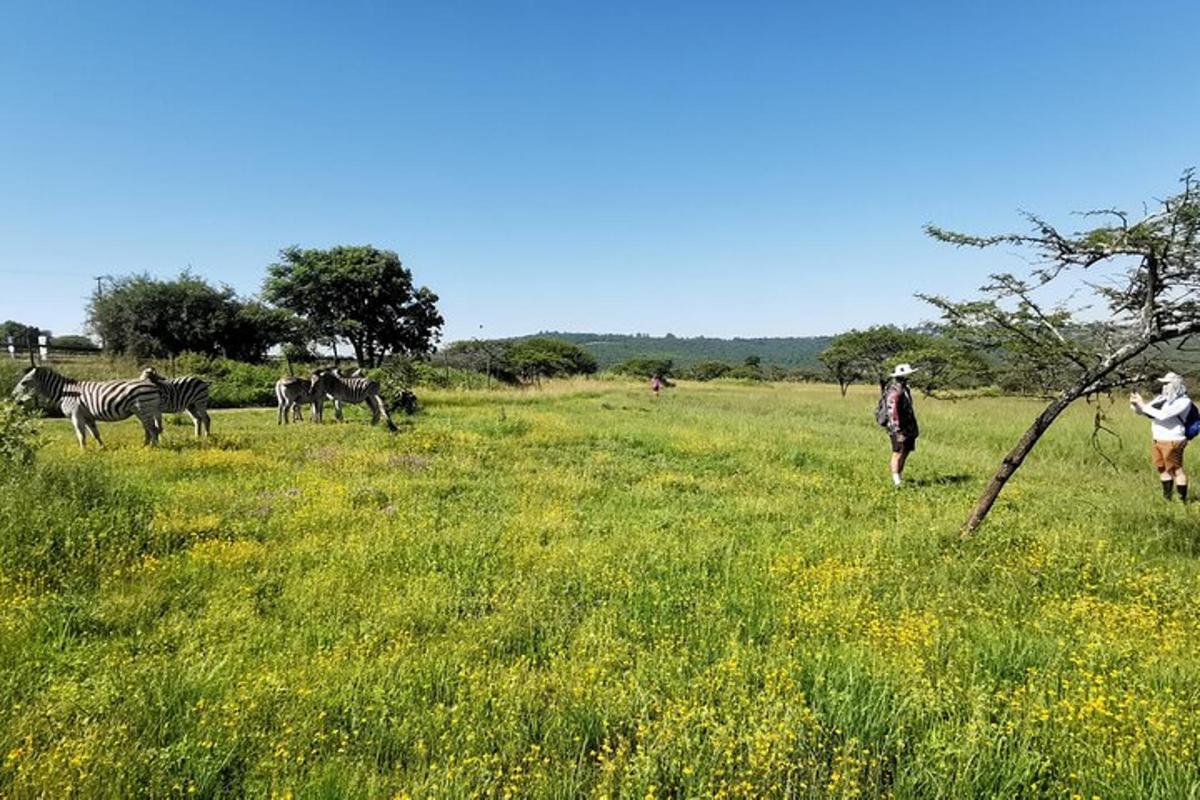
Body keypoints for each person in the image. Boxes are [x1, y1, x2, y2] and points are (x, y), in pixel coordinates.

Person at [1130, 371, 1193, 502]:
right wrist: (1136, 405)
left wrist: (1142, 404)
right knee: (1162, 469)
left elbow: (1163, 415)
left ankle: (1182, 501)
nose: (1164, 386)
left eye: (1167, 383)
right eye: (1163, 383)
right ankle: (1167, 499)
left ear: (1176, 384)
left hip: (1173, 439)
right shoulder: (1161, 399)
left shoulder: (1183, 401)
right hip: (1158, 438)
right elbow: (1145, 412)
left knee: (1176, 470)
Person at [883, 363, 919, 487]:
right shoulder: (895, 391)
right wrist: (897, 430)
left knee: (905, 451)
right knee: (897, 452)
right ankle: (896, 481)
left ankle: (899, 477)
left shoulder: (904, 389)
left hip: (907, 427)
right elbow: (892, 411)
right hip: (898, 428)